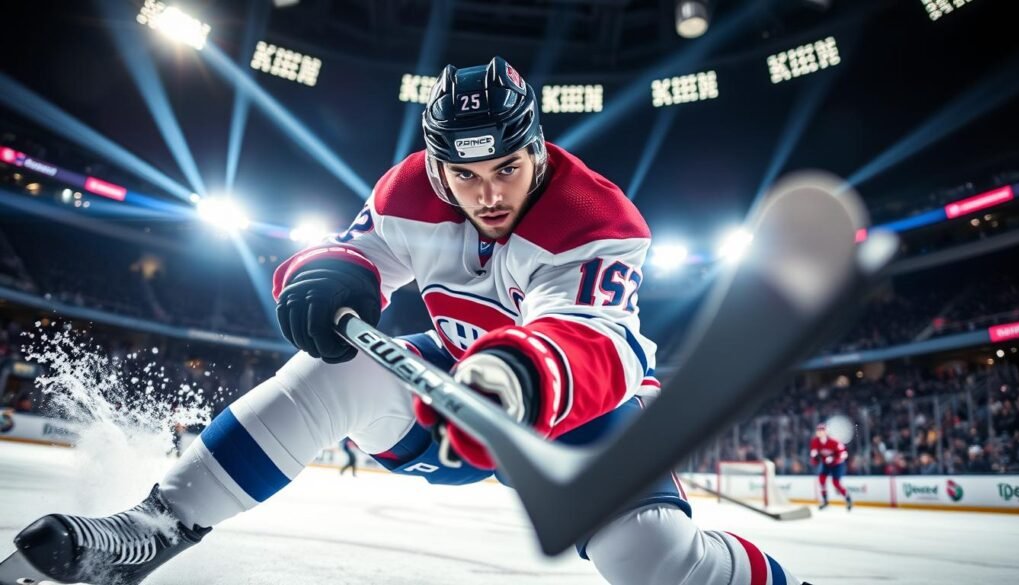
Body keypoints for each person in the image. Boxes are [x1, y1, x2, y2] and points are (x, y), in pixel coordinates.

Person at [13, 57, 809, 585]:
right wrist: (324, 278)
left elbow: (593, 342)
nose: (489, 193)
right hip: (452, 394)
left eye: (508, 167)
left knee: (655, 561)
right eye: (465, 175)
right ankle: (158, 525)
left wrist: (513, 374)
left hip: (581, 418)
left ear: (538, 148)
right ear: (436, 167)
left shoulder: (598, 218)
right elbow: (353, 254)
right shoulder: (409, 191)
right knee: (339, 371)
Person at [810, 423, 852, 510]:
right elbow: (814, 454)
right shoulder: (815, 441)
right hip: (826, 464)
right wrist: (815, 459)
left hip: (837, 465)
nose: (820, 432)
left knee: (836, 483)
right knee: (821, 479)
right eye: (818, 430)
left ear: (826, 432)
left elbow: (844, 454)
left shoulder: (834, 442)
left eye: (822, 430)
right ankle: (825, 501)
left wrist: (834, 459)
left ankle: (847, 498)